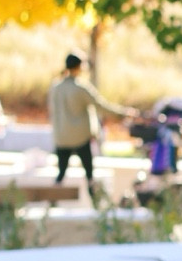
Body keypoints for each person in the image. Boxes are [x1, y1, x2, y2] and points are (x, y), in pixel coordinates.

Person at [46, 53, 131, 185]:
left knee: (61, 174)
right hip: (80, 137)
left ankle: (53, 196)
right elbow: (100, 105)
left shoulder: (56, 87)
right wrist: (123, 113)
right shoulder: (80, 88)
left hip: (61, 137)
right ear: (78, 67)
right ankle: (93, 195)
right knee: (89, 175)